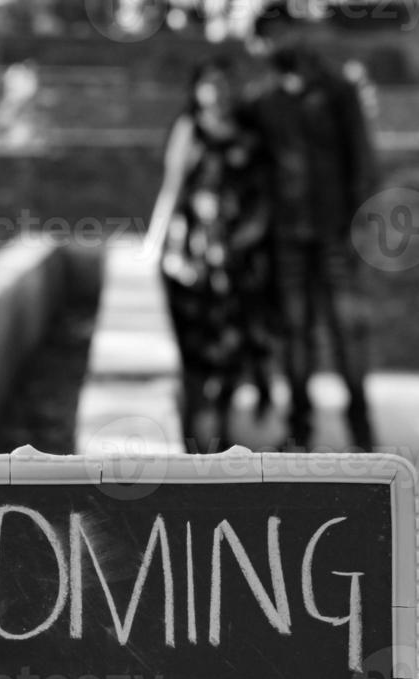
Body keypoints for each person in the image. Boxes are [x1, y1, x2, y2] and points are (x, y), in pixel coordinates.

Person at [246, 23, 378, 451]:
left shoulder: (337, 90)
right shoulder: (265, 100)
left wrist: (360, 223)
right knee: (294, 330)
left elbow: (361, 159)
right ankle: (300, 426)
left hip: (335, 230)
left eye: (277, 35)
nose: (273, 46)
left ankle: (360, 425)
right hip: (286, 235)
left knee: (347, 329)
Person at [147, 58, 275, 452]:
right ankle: (191, 436)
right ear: (197, 89)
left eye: (224, 82)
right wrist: (155, 241)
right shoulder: (190, 131)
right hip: (192, 261)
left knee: (235, 348)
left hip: (239, 261)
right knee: (194, 350)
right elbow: (173, 186)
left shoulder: (250, 136)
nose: (217, 91)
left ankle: (222, 430)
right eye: (209, 83)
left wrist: (246, 240)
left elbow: (264, 198)